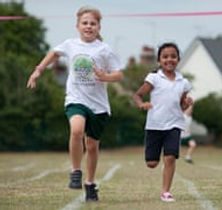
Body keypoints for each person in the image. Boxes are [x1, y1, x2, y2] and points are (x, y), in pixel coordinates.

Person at [26, 6, 124, 202]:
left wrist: (105, 76)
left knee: (93, 146)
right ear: (77, 26)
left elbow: (119, 74)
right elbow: (54, 54)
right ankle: (76, 171)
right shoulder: (70, 44)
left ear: (98, 27)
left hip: (98, 105)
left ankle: (90, 183)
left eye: (92, 23)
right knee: (77, 130)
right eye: (85, 23)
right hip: (76, 99)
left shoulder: (104, 49)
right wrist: (39, 70)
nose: (89, 26)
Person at [133, 42, 193, 202]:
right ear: (159, 60)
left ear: (178, 59)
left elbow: (181, 105)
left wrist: (186, 104)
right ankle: (155, 159)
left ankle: (166, 191)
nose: (169, 59)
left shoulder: (183, 82)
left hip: (174, 124)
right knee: (152, 163)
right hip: (154, 125)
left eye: (173, 56)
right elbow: (138, 95)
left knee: (170, 157)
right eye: (165, 57)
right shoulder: (154, 78)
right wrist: (141, 104)